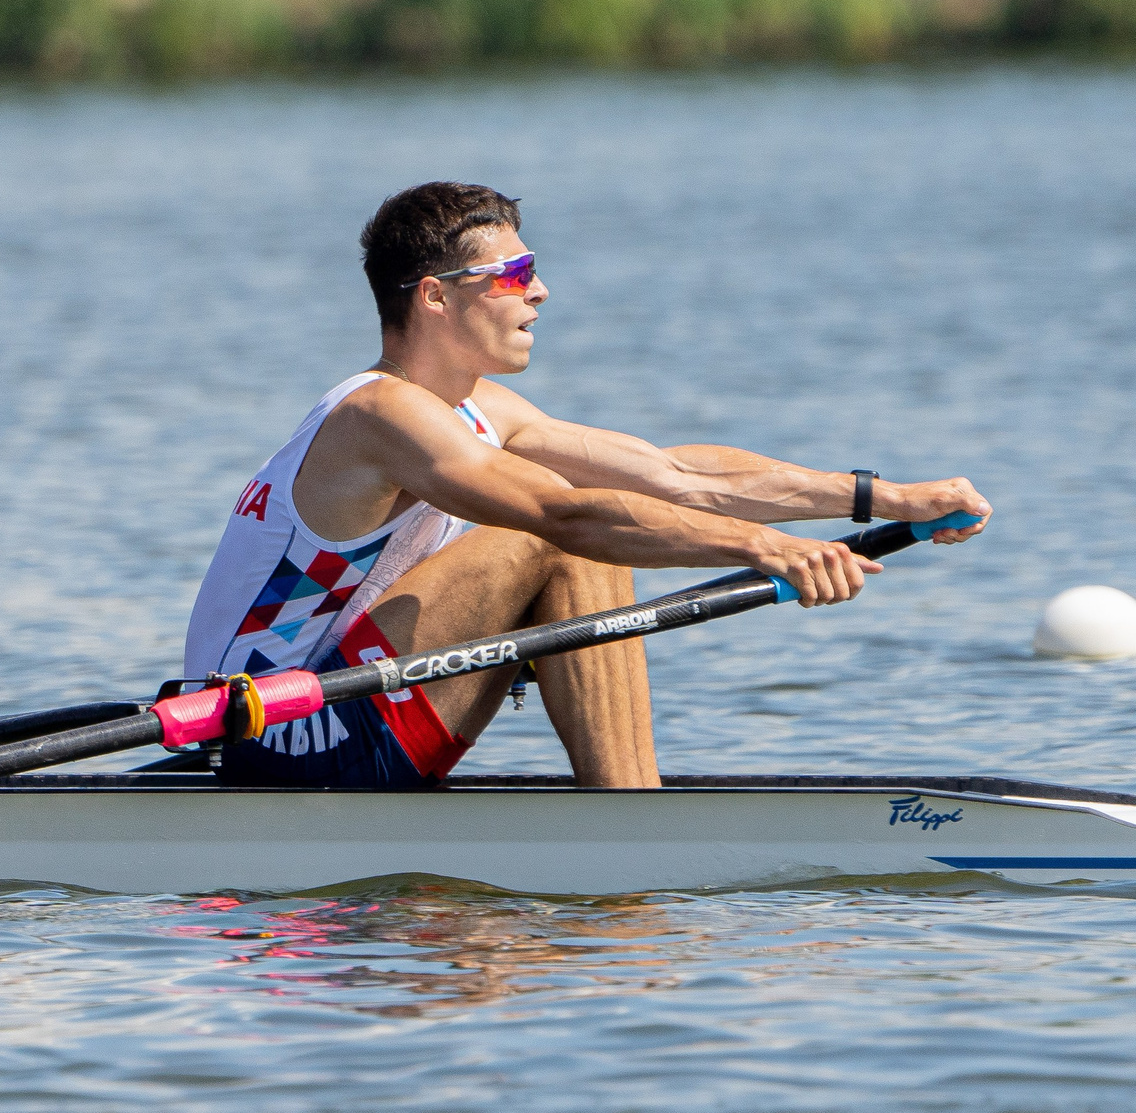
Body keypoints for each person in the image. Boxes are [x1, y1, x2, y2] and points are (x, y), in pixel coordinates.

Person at [183, 181, 987, 790]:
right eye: (513, 273)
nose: (538, 291)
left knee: (604, 511)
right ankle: (631, 823)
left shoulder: (471, 408)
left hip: (341, 707)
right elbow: (560, 513)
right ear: (434, 296)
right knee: (557, 535)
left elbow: (674, 474)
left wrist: (884, 499)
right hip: (271, 738)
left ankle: (627, 815)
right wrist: (762, 548)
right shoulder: (382, 414)